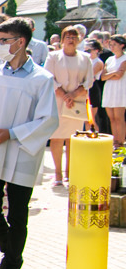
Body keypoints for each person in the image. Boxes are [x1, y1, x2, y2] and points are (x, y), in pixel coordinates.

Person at [0, 18, 58, 269]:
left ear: (20, 42)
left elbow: (48, 120)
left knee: (18, 215)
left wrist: (12, 133)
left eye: (3, 40)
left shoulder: (42, 79)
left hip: (22, 151)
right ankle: (12, 257)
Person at [44, 26, 94, 185]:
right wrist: (64, 95)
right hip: (57, 100)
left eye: (74, 37)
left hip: (76, 102)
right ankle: (58, 174)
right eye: (68, 37)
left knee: (72, 138)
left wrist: (73, 95)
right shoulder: (53, 56)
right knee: (57, 137)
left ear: (79, 39)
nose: (71, 40)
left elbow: (89, 80)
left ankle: (69, 173)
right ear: (62, 39)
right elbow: (48, 77)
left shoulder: (85, 58)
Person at [102, 35, 126, 147]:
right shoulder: (109, 59)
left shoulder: (125, 59)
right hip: (109, 89)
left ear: (122, 45)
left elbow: (119, 75)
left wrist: (110, 75)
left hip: (120, 89)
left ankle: (121, 141)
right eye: (111, 45)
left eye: (114, 45)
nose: (112, 47)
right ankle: (115, 141)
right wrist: (113, 73)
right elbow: (102, 77)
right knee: (111, 117)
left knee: (119, 117)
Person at [86, 39, 108, 132]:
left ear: (96, 50)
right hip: (86, 88)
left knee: (91, 118)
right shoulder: (87, 61)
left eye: (89, 50)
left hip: (93, 89)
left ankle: (95, 138)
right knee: (85, 119)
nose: (87, 53)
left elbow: (90, 75)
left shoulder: (98, 62)